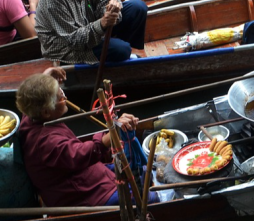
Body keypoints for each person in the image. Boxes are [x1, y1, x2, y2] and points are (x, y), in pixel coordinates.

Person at [16, 70, 156, 207]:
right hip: (82, 193)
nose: (64, 97)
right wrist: (112, 135)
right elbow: (79, 154)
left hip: (88, 173)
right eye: (60, 96)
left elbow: (35, 95)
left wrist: (46, 76)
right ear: (46, 112)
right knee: (150, 199)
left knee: (145, 173)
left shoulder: (30, 114)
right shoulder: (47, 143)